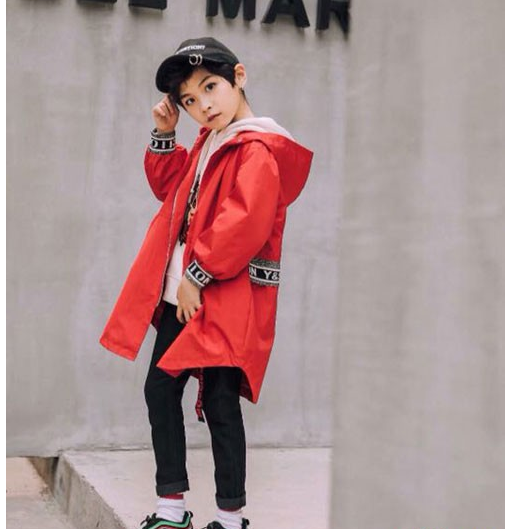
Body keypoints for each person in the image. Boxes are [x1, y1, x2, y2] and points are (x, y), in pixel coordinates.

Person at [100, 37, 313, 529]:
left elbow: (244, 223)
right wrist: (164, 134)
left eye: (211, 87)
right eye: (191, 100)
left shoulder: (256, 148)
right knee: (160, 390)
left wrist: (197, 276)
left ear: (239, 77)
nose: (204, 106)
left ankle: (230, 517)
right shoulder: (210, 140)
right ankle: (171, 509)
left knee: (219, 402)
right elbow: (170, 189)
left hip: (222, 298)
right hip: (185, 295)